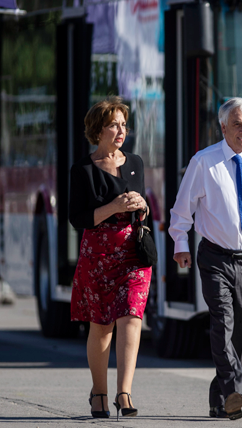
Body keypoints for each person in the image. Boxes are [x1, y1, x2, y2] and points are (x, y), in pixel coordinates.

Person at [169, 97, 242, 420]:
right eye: (237, 124)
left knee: (237, 332)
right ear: (223, 127)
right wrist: (180, 243)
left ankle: (218, 399)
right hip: (215, 257)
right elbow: (182, 209)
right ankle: (234, 391)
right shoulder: (204, 162)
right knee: (222, 323)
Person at [68, 97, 151, 419]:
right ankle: (99, 393)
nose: (121, 131)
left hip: (133, 251)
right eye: (114, 124)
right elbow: (78, 219)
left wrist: (141, 204)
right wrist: (113, 208)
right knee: (101, 325)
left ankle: (124, 392)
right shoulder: (83, 170)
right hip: (98, 253)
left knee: (132, 316)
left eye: (124, 125)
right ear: (98, 129)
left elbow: (142, 209)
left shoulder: (136, 162)